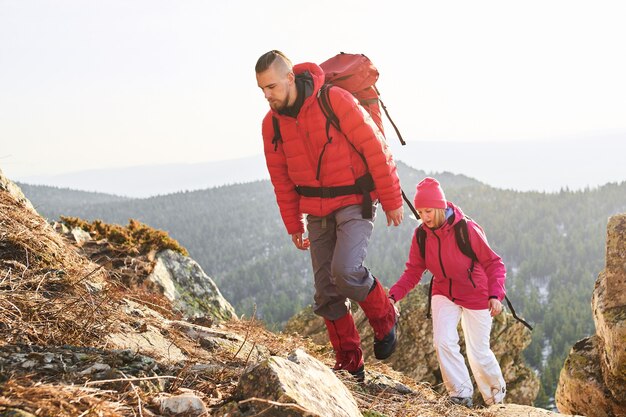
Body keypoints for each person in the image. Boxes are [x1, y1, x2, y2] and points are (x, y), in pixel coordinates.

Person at [255, 50, 404, 380]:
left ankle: (386, 317)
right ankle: (350, 361)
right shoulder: (271, 125)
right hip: (316, 210)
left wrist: (392, 198)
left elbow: (374, 147)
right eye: (261, 89)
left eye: (271, 86)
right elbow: (280, 177)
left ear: (290, 77)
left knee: (346, 270)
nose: (266, 95)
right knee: (326, 290)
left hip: (357, 199)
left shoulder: (333, 100)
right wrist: (293, 223)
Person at [389, 177, 506, 406]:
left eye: (429, 211)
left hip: (476, 293)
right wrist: (392, 295)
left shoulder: (466, 230)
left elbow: (494, 263)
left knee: (478, 353)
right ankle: (460, 396)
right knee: (443, 341)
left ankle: (496, 401)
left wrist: (495, 295)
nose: (425, 217)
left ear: (441, 207)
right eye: (421, 212)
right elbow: (413, 271)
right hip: (444, 291)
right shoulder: (422, 235)